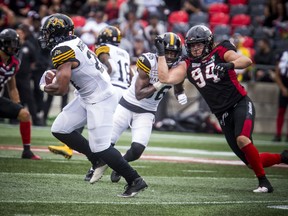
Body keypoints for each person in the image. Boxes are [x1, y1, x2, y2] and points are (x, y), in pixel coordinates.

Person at [155, 24, 288, 193]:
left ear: (208, 43)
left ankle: (264, 183)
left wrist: (230, 65)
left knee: (242, 139)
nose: (195, 49)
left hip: (239, 103)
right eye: (192, 45)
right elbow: (165, 78)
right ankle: (284, 157)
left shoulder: (220, 50)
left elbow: (246, 60)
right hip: (222, 115)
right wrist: (161, 54)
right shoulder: (187, 64)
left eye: (199, 44)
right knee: (251, 162)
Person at [38, 13, 147, 197]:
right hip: (88, 94)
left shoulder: (62, 49)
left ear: (57, 33)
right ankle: (96, 160)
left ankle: (135, 180)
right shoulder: (73, 42)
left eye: (48, 33)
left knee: (102, 147)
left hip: (100, 97)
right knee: (60, 128)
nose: (46, 37)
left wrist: (44, 86)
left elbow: (62, 89)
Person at [89, 32, 187, 183]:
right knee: (106, 144)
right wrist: (160, 83)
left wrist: (180, 93)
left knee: (137, 150)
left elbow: (178, 83)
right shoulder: (148, 60)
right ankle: (94, 169)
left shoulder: (178, 66)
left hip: (147, 112)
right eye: (166, 52)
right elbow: (139, 94)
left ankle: (119, 165)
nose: (169, 56)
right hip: (127, 105)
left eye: (172, 53)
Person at [0, 28, 41, 160]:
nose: (13, 46)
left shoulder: (14, 63)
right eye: (9, 43)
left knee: (24, 114)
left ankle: (27, 151)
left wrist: (16, 107)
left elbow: (12, 87)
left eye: (15, 43)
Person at [272, 51, 288, 142]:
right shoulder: (283, 54)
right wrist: (283, 88)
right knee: (281, 111)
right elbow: (277, 74)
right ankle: (278, 134)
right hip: (284, 86)